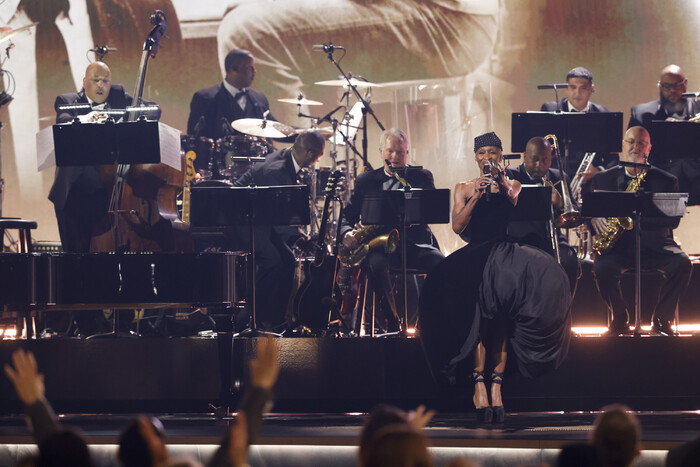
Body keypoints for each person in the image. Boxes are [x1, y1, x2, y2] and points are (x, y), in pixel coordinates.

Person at [419, 132, 571, 424]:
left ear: (501, 156)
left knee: (501, 320)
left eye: (493, 152)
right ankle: (479, 385)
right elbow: (458, 226)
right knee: (479, 319)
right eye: (482, 153)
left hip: (504, 256)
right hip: (475, 256)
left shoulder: (512, 184)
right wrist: (476, 194)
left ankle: (497, 388)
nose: (487, 157)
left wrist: (498, 181)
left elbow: (512, 199)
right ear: (475, 157)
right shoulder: (463, 187)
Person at [340, 128, 445, 332]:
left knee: (440, 263)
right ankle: (391, 323)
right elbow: (348, 214)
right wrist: (346, 232)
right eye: (390, 151)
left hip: (415, 244)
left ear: (407, 153)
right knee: (375, 264)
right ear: (381, 152)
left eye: (400, 152)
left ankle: (432, 324)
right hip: (381, 246)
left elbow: (432, 210)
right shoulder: (365, 181)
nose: (395, 157)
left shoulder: (422, 177)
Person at [590, 126, 692, 337]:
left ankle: (662, 319)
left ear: (649, 148)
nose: (635, 147)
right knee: (602, 268)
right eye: (631, 142)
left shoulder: (667, 180)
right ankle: (619, 317)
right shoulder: (603, 179)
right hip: (619, 247)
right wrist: (595, 217)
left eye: (641, 143)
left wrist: (637, 217)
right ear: (622, 145)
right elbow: (593, 212)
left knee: (683, 263)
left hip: (656, 245)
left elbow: (672, 222)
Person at [233, 130, 326, 330]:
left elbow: (277, 213)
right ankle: (250, 315)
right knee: (273, 261)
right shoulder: (277, 171)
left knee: (288, 260)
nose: (317, 160)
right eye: (318, 156)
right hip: (241, 222)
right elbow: (278, 217)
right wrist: (299, 240)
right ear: (310, 154)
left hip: (260, 220)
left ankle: (274, 319)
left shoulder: (287, 158)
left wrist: (298, 237)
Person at [506, 136, 581, 294]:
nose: (539, 165)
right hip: (519, 239)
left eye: (545, 160)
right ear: (524, 157)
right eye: (534, 159)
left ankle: (564, 309)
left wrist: (560, 203)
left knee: (569, 260)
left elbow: (574, 215)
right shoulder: (511, 175)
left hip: (549, 236)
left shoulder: (559, 177)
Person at [628, 64, 700, 205]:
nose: (672, 90)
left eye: (677, 85)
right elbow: (632, 151)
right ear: (660, 86)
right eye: (667, 86)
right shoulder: (642, 114)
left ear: (685, 84)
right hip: (660, 184)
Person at [540, 67, 618, 181]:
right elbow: (541, 149)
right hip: (556, 180)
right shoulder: (549, 109)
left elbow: (613, 158)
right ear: (566, 88)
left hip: (591, 183)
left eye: (583, 88)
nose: (578, 93)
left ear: (592, 89)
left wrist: (598, 171)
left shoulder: (603, 114)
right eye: (573, 87)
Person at [187, 48, 278, 141]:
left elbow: (275, 129)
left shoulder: (260, 98)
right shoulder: (204, 98)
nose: (254, 71)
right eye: (249, 67)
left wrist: (293, 133)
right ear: (234, 69)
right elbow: (194, 139)